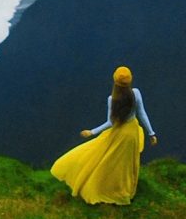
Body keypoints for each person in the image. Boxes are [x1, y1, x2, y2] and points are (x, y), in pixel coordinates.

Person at [50, 66, 158, 205]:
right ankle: (126, 190)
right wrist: (151, 133)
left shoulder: (112, 99)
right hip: (132, 134)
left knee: (107, 160)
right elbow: (142, 114)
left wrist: (92, 132)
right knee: (127, 164)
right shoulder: (136, 93)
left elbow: (111, 122)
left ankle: (104, 187)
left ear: (115, 81)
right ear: (130, 80)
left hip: (119, 134)